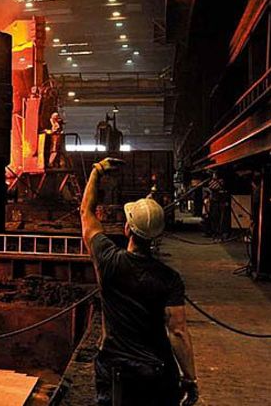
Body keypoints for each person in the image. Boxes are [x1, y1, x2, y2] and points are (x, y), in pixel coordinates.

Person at [81, 158, 199, 406]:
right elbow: (177, 331)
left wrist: (96, 172)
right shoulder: (170, 279)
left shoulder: (108, 260)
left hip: (115, 370)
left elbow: (86, 213)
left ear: (127, 229)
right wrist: (190, 379)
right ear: (157, 235)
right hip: (155, 373)